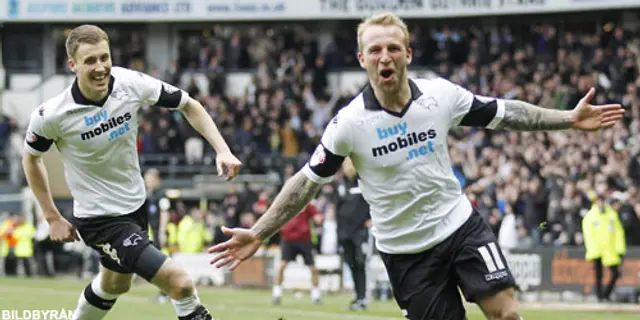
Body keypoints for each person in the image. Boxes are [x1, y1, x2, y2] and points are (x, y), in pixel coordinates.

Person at [208, 12, 624, 320]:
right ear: (361, 59)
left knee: (506, 314)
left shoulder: (441, 96)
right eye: (375, 49)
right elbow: (307, 181)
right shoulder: (349, 125)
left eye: (392, 47)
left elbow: (506, 112)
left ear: (407, 53)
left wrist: (567, 118)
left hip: (459, 225)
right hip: (406, 253)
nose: (384, 56)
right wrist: (260, 232)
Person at [22, 24, 241, 320]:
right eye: (90, 61)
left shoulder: (130, 83)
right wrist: (51, 216)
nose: (100, 68)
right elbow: (31, 159)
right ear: (72, 65)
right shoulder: (53, 115)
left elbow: (189, 105)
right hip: (100, 219)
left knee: (115, 285)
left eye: (104, 57)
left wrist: (222, 149)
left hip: (135, 207)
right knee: (181, 284)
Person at [336, 157, 371, 310]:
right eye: (346, 164)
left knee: (361, 263)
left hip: (360, 231)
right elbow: (337, 208)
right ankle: (357, 295)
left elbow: (372, 201)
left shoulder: (364, 182)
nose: (348, 167)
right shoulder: (341, 185)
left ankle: (363, 297)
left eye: (351, 164)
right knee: (351, 264)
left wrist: (371, 218)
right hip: (345, 232)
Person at [272, 203, 324, 305]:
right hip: (288, 239)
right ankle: (277, 293)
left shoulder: (307, 204)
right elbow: (276, 217)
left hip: (304, 240)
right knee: (282, 265)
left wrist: (320, 215)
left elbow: (318, 218)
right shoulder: (285, 202)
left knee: (313, 268)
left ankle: (316, 295)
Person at [582, 193, 626, 302]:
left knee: (615, 273)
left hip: (610, 249)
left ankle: (606, 294)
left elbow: (618, 232)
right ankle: (599, 296)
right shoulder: (591, 216)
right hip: (597, 249)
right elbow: (588, 234)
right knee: (598, 274)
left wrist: (620, 248)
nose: (600, 203)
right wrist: (592, 249)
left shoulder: (611, 214)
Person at [144, 168, 171, 303]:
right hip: (153, 233)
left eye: (149, 179)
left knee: (162, 264)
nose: (147, 182)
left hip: (160, 233)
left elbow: (165, 213)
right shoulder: (149, 194)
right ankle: (164, 292)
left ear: (157, 180)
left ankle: (165, 293)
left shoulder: (161, 195)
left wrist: (162, 232)